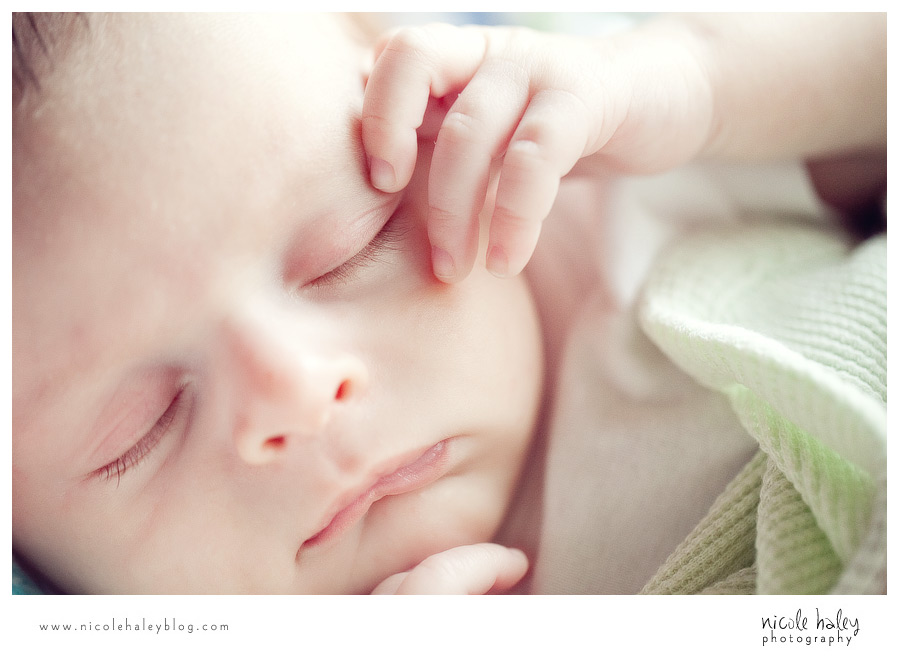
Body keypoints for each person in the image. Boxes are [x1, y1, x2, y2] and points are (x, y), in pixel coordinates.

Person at [11, 12, 885, 595]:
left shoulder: (610, 189)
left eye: (352, 245)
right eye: (140, 433)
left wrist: (697, 82)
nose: (299, 391)